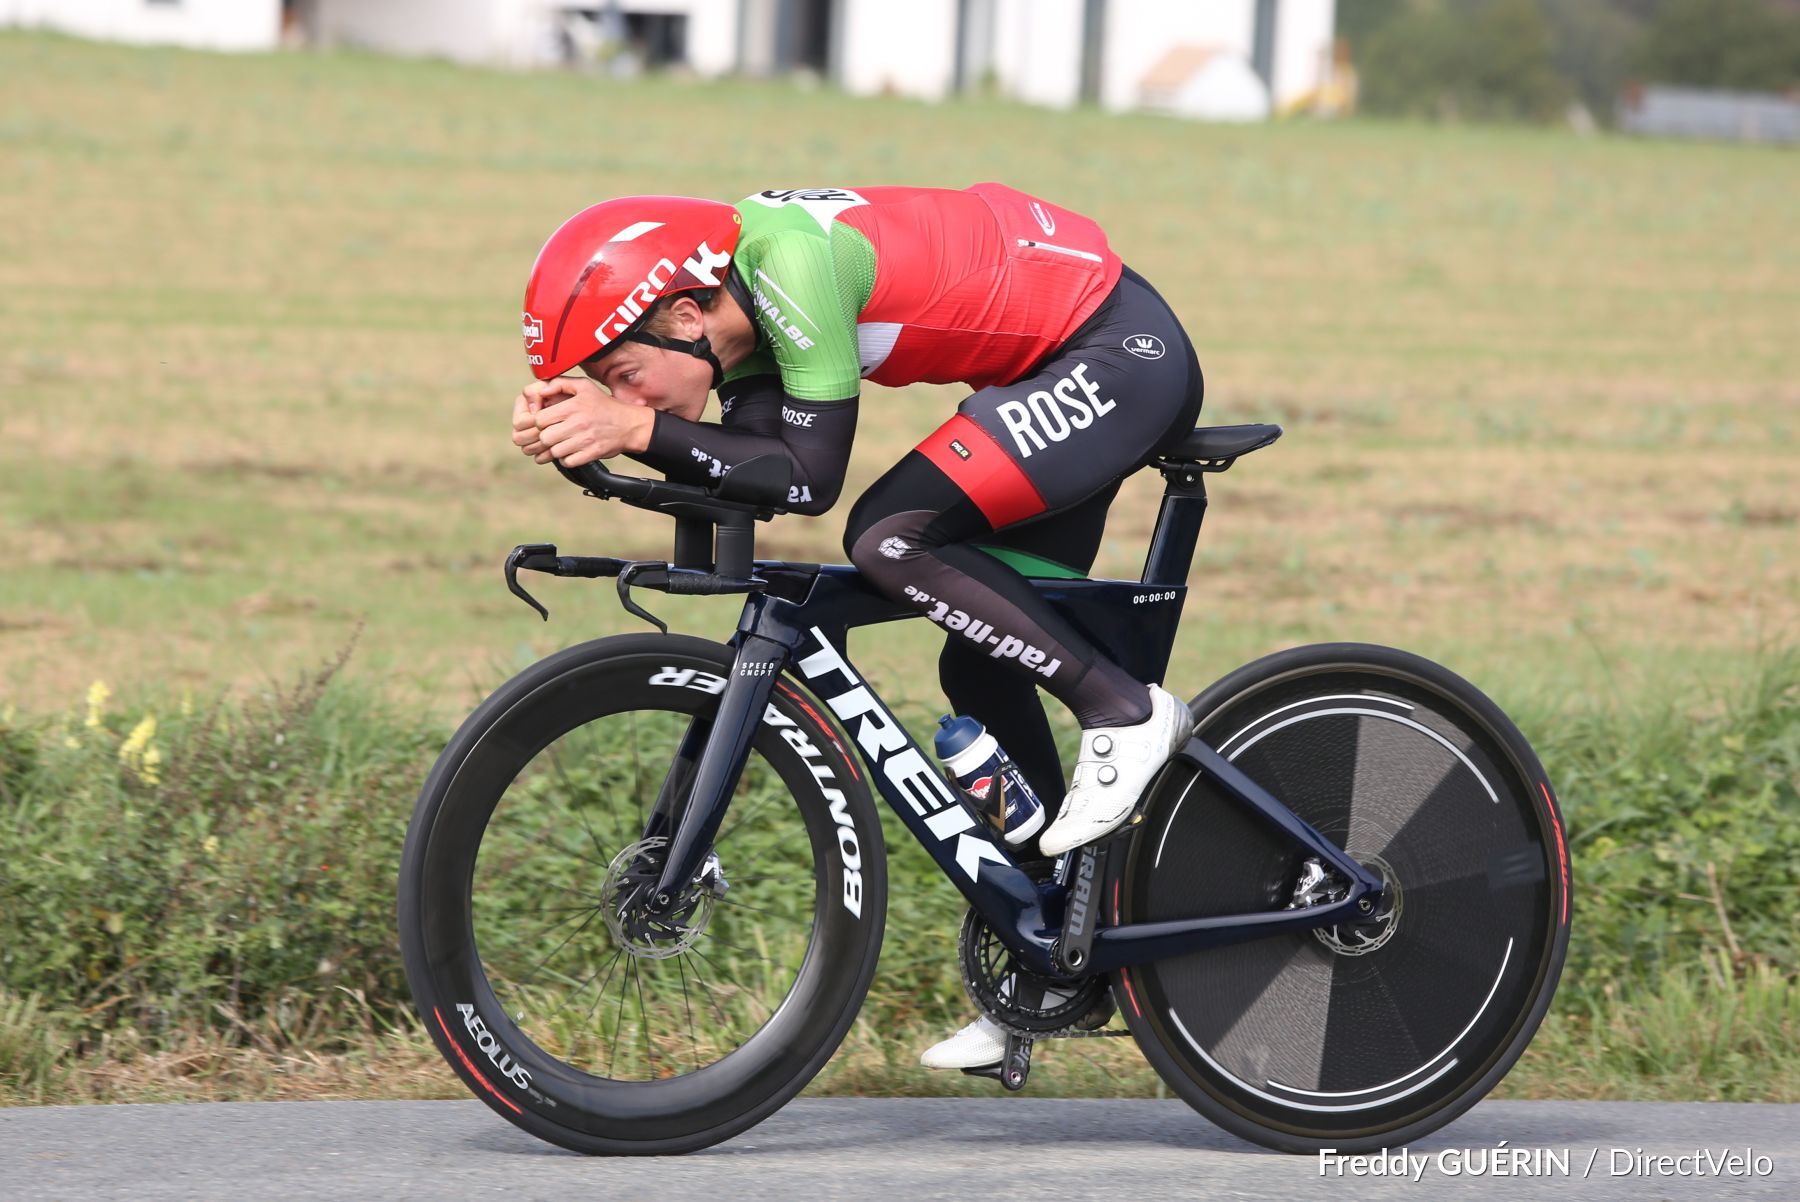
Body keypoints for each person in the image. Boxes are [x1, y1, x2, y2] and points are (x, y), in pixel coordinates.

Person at [510, 185, 1202, 1070]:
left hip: (1116, 353)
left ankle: (1124, 712)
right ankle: (1049, 956)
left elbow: (808, 481)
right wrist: (603, 438)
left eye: (621, 374)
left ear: (685, 314)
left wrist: (638, 429)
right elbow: (752, 468)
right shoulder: (743, 328)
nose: (619, 395)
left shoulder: (790, 269)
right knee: (984, 667)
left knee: (888, 536)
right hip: (1055, 367)